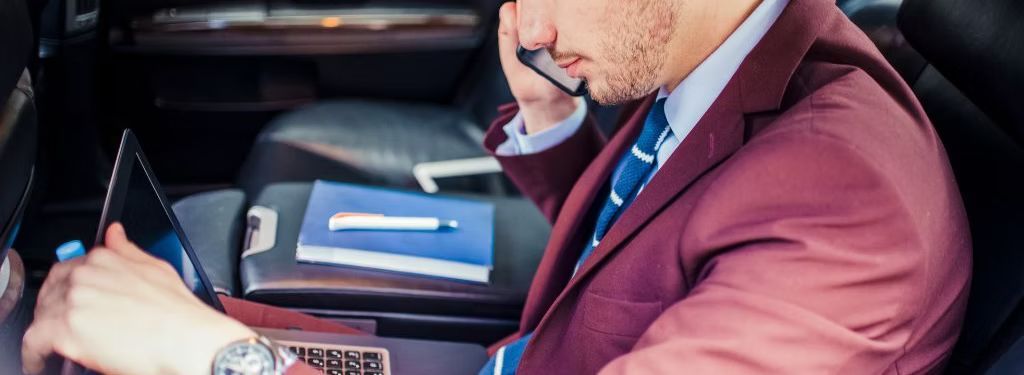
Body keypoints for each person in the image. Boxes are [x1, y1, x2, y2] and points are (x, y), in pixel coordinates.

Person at [23, 0, 972, 373]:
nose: (528, 23)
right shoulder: (724, 55)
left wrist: (222, 359)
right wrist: (554, 124)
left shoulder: (854, 210)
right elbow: (640, 242)